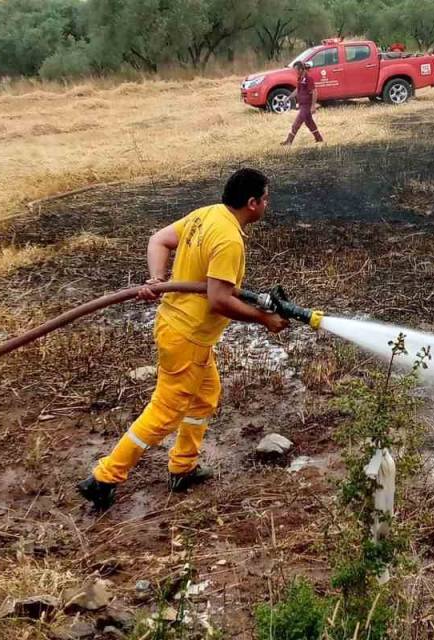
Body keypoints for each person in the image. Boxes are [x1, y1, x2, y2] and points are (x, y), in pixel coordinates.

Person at [76, 168, 290, 512]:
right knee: (164, 412)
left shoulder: (206, 215)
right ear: (252, 204)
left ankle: (183, 467)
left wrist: (157, 278)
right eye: (265, 198)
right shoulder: (229, 240)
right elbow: (219, 300)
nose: (268, 203)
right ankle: (104, 478)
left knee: (206, 396)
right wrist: (264, 319)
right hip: (187, 336)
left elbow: (158, 239)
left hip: (180, 329)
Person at [283, 62, 323, 145]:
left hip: (306, 105)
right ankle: (319, 138)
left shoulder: (308, 78)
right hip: (302, 105)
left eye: (296, 70)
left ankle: (289, 141)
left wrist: (313, 106)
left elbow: (314, 92)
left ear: (301, 69)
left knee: (296, 123)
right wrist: (289, 97)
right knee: (309, 123)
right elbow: (297, 90)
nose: (295, 72)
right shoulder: (300, 78)